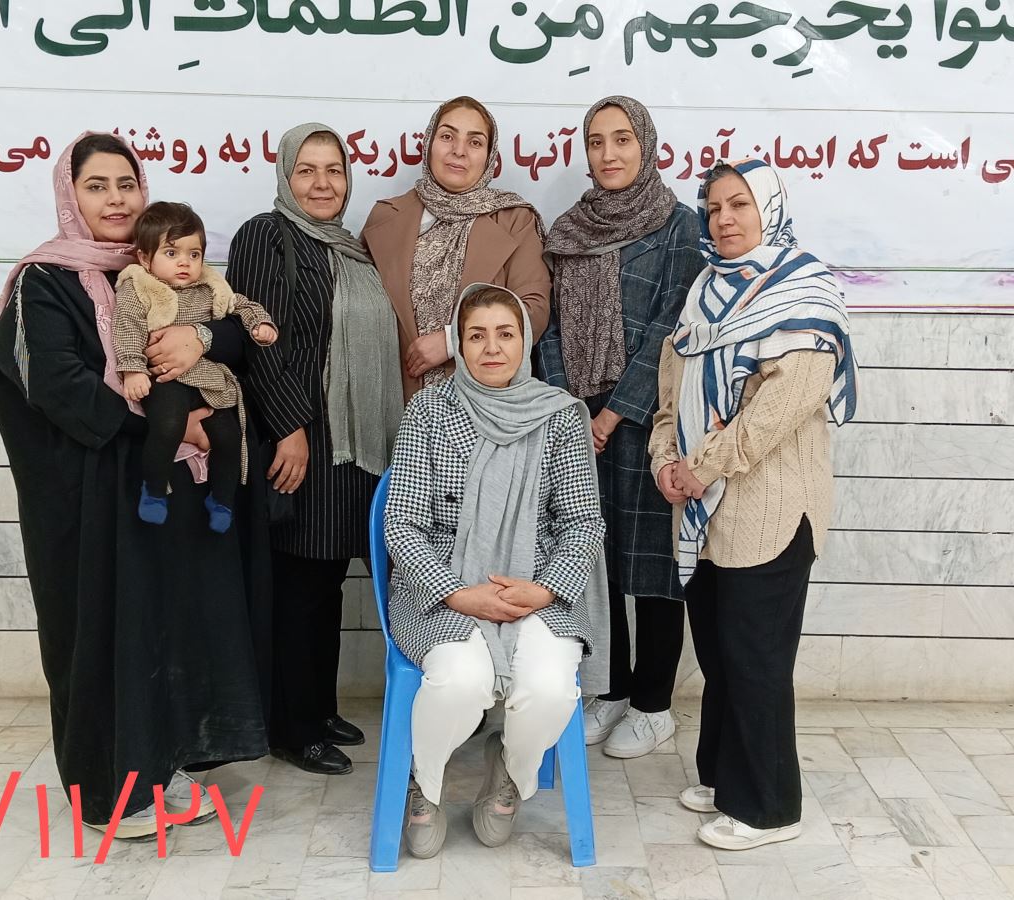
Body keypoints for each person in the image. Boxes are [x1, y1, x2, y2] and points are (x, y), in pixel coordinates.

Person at [0, 133, 272, 839]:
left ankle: (162, 767)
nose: (116, 200)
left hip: (158, 497)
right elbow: (59, 385)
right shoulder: (44, 281)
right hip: (89, 500)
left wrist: (203, 342)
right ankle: (113, 794)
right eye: (97, 186)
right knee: (103, 634)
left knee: (160, 628)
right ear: (70, 195)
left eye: (126, 184)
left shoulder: (162, 266)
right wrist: (171, 431)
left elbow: (234, 332)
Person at [650, 159, 857, 851]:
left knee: (756, 657)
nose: (725, 219)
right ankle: (722, 777)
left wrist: (696, 467)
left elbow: (775, 414)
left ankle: (768, 808)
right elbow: (671, 393)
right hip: (704, 510)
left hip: (769, 507)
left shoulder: (806, 294)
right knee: (720, 653)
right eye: (713, 208)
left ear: (771, 209)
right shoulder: (704, 293)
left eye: (739, 204)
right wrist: (663, 460)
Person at [383, 284, 609, 859]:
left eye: (505, 334)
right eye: (476, 335)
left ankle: (509, 769)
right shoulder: (429, 411)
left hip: (536, 585)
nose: (491, 348)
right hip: (443, 586)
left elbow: (584, 521)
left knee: (550, 689)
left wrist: (546, 588)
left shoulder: (559, 416)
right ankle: (425, 782)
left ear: (525, 341)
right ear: (458, 345)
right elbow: (402, 523)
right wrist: (457, 593)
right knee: (460, 682)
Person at [225, 124, 405, 776]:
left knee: (325, 583)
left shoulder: (348, 248)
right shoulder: (265, 236)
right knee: (298, 586)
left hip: (350, 445)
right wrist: (290, 427)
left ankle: (318, 708)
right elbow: (260, 341)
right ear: (285, 176)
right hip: (302, 440)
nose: (323, 184)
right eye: (307, 170)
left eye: (334, 170)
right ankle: (290, 726)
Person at [538, 96, 706, 760]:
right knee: (596, 561)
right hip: (577, 423)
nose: (608, 154)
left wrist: (611, 412)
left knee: (654, 567)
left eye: (622, 140)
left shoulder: (680, 226)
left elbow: (672, 327)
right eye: (597, 141)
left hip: (649, 421)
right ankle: (610, 689)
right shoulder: (568, 230)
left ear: (647, 146)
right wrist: (571, 409)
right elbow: (548, 327)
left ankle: (653, 705)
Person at [362, 96, 551, 398]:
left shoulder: (514, 219)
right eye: (447, 136)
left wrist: (452, 341)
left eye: (475, 142)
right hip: (394, 399)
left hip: (483, 400)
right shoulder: (385, 217)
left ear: (489, 156)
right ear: (428, 143)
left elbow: (534, 310)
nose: (459, 151)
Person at [114, 200, 277, 532]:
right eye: (171, 253)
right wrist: (132, 369)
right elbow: (127, 327)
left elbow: (239, 304)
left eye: (194, 254)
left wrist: (259, 323)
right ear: (144, 258)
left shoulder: (209, 286)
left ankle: (222, 500)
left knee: (229, 436)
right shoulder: (139, 287)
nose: (184, 263)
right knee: (168, 425)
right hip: (165, 378)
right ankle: (154, 491)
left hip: (206, 378)